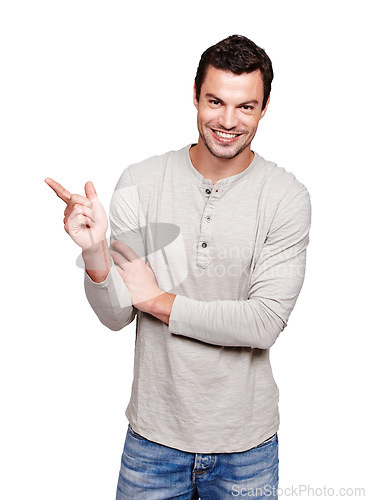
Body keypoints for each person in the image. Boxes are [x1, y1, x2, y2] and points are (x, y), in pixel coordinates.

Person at [45, 34, 311, 499]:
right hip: (153, 439)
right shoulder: (143, 181)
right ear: (195, 96)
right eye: (215, 102)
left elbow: (264, 322)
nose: (227, 121)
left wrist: (158, 301)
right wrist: (94, 254)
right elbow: (116, 316)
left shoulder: (286, 197)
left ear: (265, 108)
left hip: (245, 447)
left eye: (245, 107)